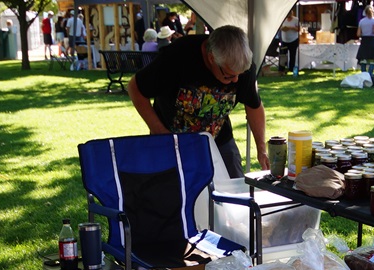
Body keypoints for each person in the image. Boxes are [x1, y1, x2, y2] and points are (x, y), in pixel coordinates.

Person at [127, 25, 268, 179]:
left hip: (219, 140)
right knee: (172, 189)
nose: (236, 80)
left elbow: (253, 106)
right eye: (228, 76)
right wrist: (161, 132)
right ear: (211, 58)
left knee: (234, 187)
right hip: (173, 141)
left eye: (239, 75)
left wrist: (261, 149)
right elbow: (135, 88)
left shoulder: (241, 67)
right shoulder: (178, 56)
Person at [356, 5, 374, 75]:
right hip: (372, 40)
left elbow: (358, 34)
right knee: (373, 59)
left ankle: (364, 74)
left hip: (364, 40)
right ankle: (370, 73)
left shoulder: (361, 21)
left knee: (363, 59)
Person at [279, 9, 300, 74]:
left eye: (289, 14)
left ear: (292, 13)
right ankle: (281, 68)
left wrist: (291, 28)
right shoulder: (283, 19)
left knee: (292, 55)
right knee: (283, 55)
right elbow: (280, 27)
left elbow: (299, 29)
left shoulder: (296, 20)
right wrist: (283, 28)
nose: (288, 16)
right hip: (284, 40)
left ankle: (291, 68)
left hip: (293, 40)